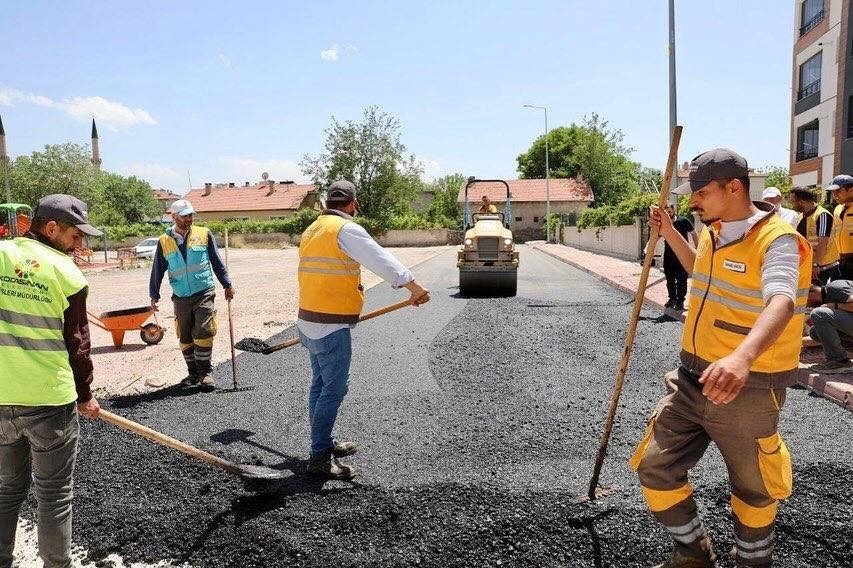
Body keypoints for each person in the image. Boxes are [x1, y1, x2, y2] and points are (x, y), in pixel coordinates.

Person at [633, 149, 811, 568]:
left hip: (746, 388)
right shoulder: (714, 232)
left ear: (734, 187)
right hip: (691, 378)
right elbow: (703, 273)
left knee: (754, 489)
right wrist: (669, 234)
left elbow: (782, 300)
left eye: (701, 192)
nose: (693, 201)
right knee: (654, 466)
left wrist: (742, 358)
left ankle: (752, 561)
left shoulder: (779, 240)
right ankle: (694, 554)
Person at [297, 180, 430, 479]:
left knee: (320, 385)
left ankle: (323, 443)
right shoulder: (346, 230)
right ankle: (319, 457)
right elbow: (382, 260)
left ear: (325, 203)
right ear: (353, 204)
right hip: (330, 326)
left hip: (308, 320)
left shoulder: (311, 230)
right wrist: (415, 287)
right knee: (332, 389)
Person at [0, 194, 101, 568]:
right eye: (76, 236)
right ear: (52, 228)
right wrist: (85, 395)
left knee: (6, 490)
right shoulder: (67, 274)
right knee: (55, 495)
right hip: (49, 403)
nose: (81, 245)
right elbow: (77, 345)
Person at [149, 199, 235, 392]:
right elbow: (158, 269)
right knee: (185, 335)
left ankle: (205, 373)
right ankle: (193, 372)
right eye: (185, 215)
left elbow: (217, 262)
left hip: (204, 291)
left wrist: (227, 284)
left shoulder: (204, 234)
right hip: (180, 295)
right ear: (174, 216)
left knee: (203, 331)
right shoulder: (164, 241)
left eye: (191, 215)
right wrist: (153, 294)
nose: (189, 218)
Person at [789, 186, 840, 284]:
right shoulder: (800, 217)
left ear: (802, 202)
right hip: (810, 267)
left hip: (824, 268)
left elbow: (823, 242)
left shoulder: (822, 215)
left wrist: (815, 264)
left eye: (792, 201)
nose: (791, 205)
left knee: (822, 297)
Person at [806, 279, 853, 373]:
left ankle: (839, 361)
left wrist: (835, 306)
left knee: (818, 313)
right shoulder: (828, 297)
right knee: (815, 332)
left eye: (806, 300)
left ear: (811, 293)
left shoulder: (834, 287)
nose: (807, 305)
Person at [662, 204, 698, 311]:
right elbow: (656, 235)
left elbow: (694, 233)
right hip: (668, 254)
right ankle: (672, 299)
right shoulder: (664, 223)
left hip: (682, 254)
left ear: (673, 210)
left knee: (682, 278)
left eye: (669, 211)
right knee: (669, 278)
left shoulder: (683, 221)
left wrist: (698, 248)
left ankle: (680, 301)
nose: (668, 213)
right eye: (666, 212)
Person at [826, 174, 853, 279]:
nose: (834, 195)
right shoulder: (837, 209)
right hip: (839, 262)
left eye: (838, 191)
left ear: (851, 189)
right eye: (832, 192)